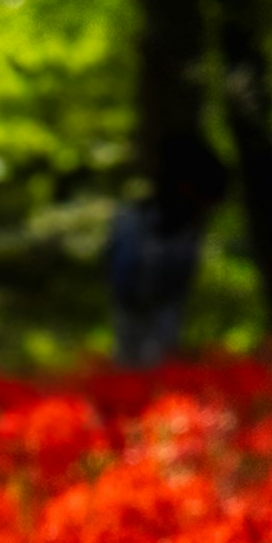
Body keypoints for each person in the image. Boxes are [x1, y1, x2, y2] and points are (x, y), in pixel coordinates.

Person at [106, 134, 216, 369]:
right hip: (146, 301)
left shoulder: (135, 216)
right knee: (146, 359)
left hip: (145, 301)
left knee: (142, 359)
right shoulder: (161, 220)